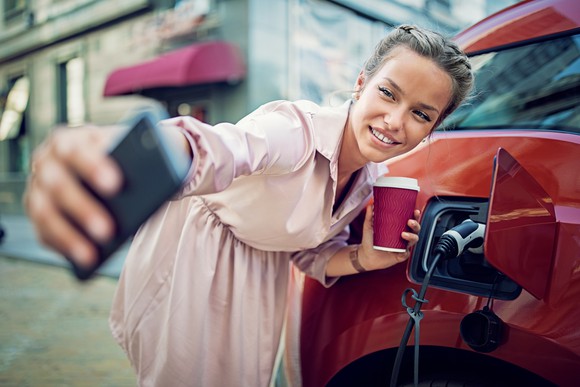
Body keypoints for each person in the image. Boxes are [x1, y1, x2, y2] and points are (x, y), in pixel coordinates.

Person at [24, 24, 473, 386]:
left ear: (433, 127)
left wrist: (366, 257)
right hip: (196, 260)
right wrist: (123, 155)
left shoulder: (370, 182)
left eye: (420, 113)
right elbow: (219, 148)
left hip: (260, 283)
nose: (395, 121)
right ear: (361, 83)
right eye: (388, 93)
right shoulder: (295, 129)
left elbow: (309, 255)